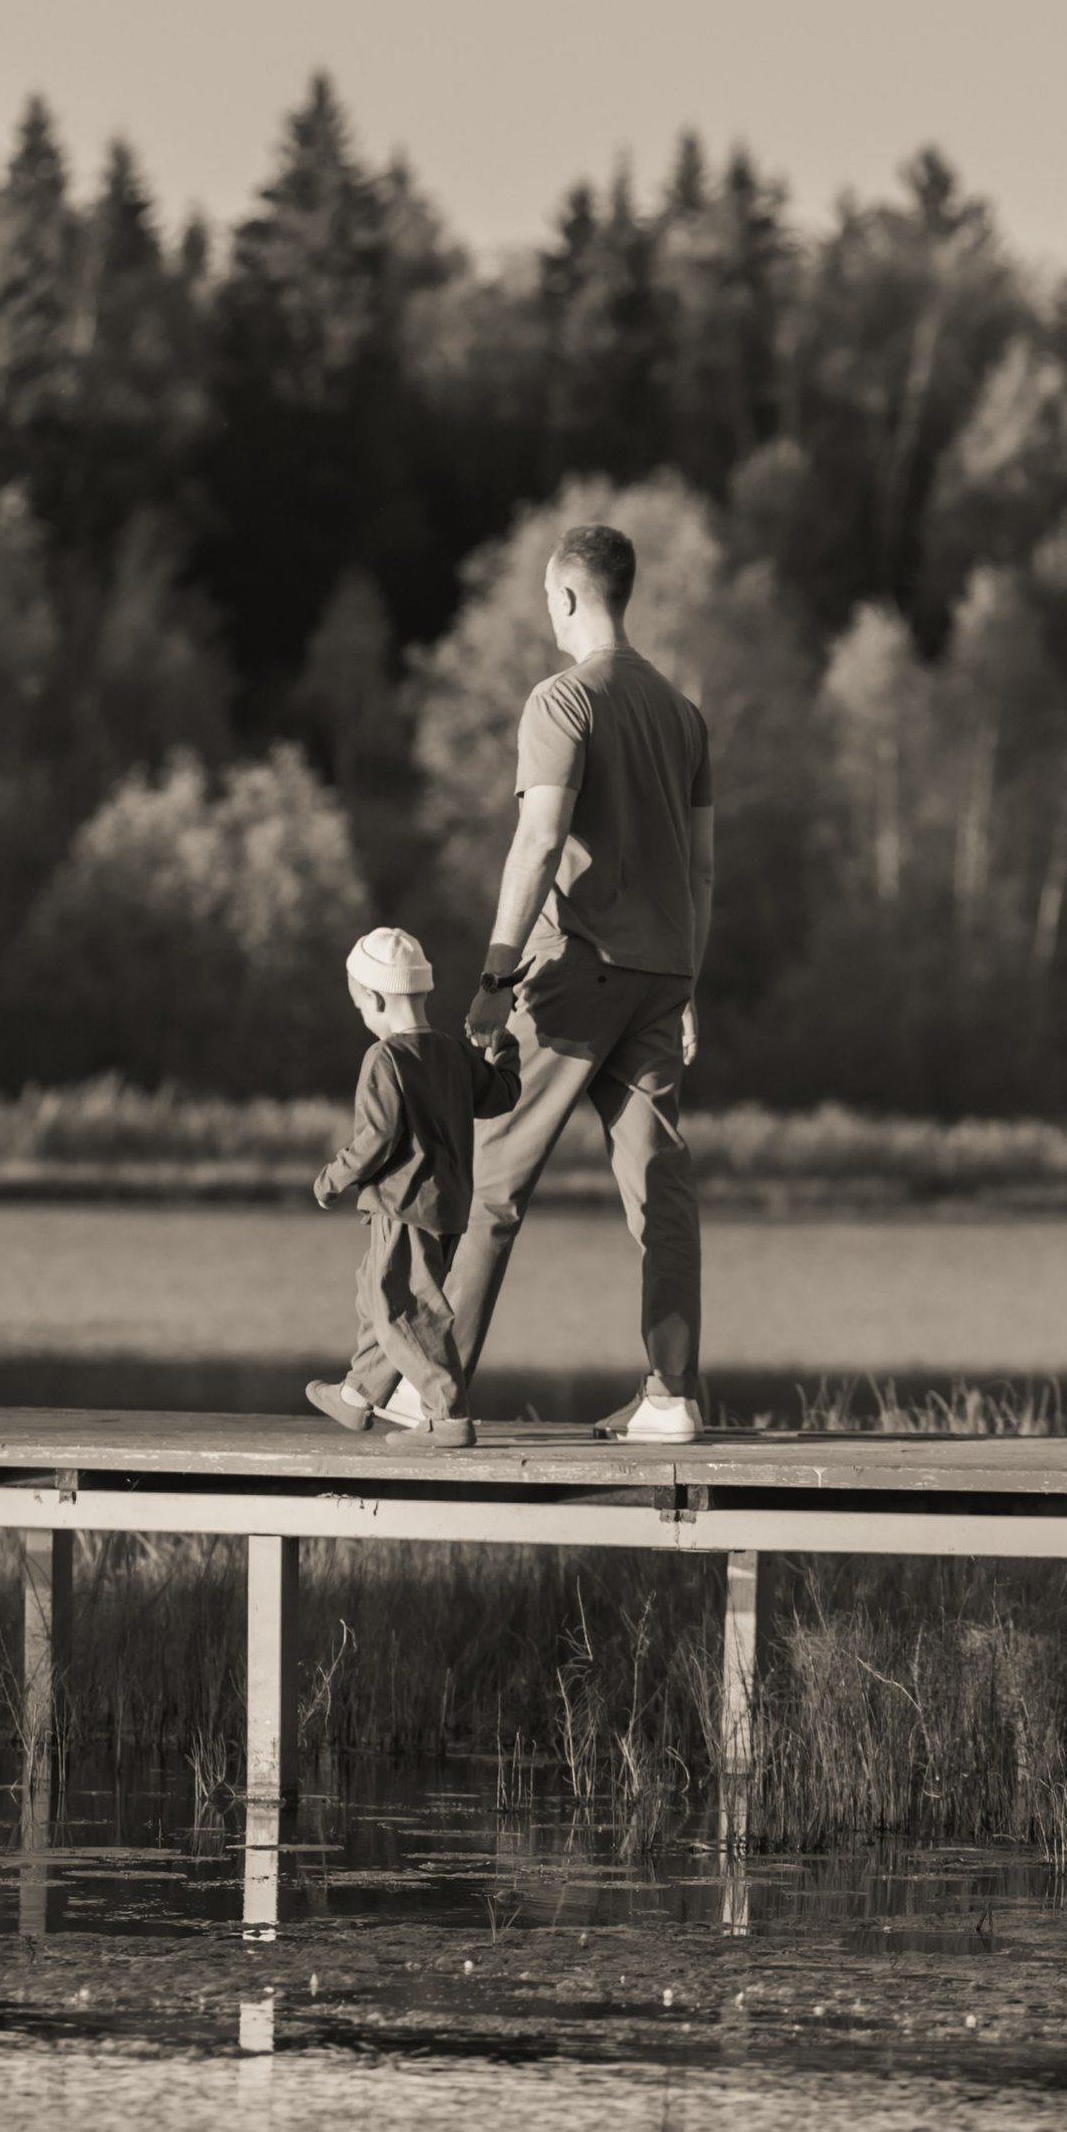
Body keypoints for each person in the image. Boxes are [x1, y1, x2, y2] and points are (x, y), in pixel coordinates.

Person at [450, 522, 712, 1443]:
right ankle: (671, 1396)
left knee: (489, 1175)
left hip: (577, 975)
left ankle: (428, 1385)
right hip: (662, 975)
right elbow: (702, 870)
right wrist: (688, 986)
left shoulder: (562, 702)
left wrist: (494, 973)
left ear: (566, 597)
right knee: (661, 1192)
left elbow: (540, 840)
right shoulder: (683, 716)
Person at [305, 924, 518, 1449]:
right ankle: (359, 1394)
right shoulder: (453, 1053)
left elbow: (375, 1138)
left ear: (375, 998)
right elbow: (503, 1095)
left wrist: (332, 1178)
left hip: (401, 1208)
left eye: (359, 1007)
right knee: (376, 1293)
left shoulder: (384, 1059)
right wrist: (504, 1046)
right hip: (446, 1209)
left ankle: (448, 1415)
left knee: (405, 1308)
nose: (362, 1017)